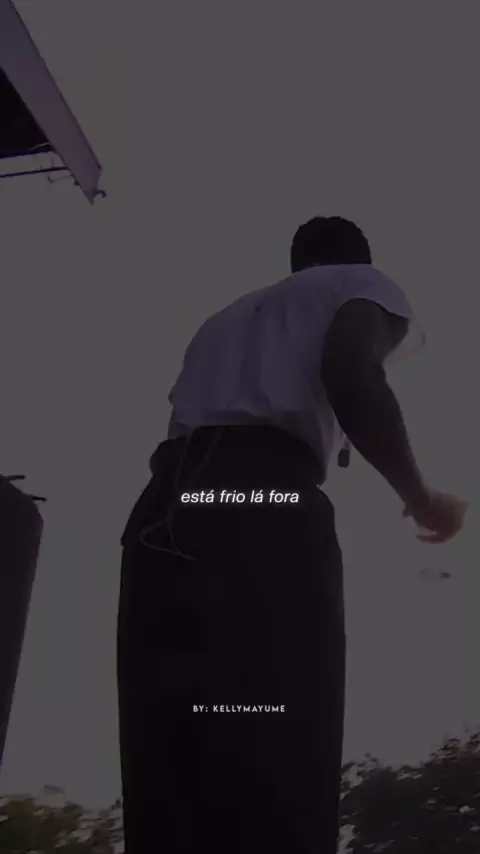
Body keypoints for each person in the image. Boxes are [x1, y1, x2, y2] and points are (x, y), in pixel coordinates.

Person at [117, 215, 466, 854]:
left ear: (295, 261)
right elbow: (352, 375)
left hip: (163, 512)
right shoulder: (361, 283)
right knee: (282, 739)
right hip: (261, 498)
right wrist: (419, 495)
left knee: (170, 754)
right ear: (357, 260)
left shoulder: (227, 319)